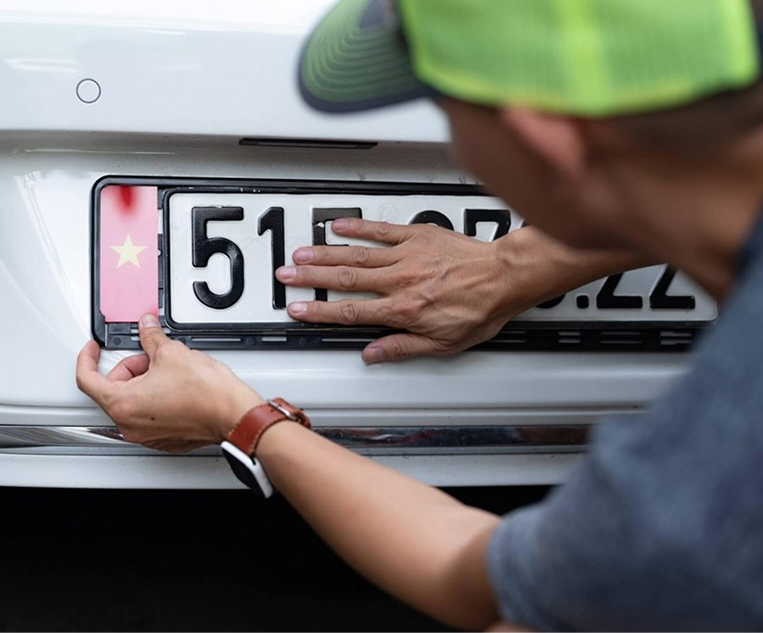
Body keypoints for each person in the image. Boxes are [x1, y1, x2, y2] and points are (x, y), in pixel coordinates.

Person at [77, 0, 763, 629]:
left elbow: (486, 588)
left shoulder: (712, 473)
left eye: (441, 106)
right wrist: (513, 268)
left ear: (541, 136)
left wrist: (237, 415)